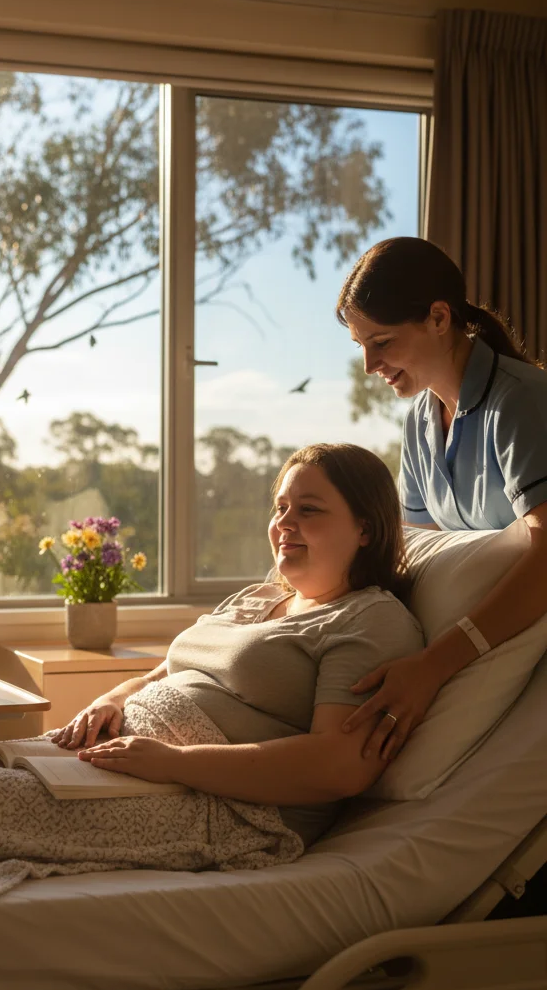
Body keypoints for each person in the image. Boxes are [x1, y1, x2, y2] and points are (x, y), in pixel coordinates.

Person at [55, 443, 424, 847]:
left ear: (365, 529)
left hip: (221, 807)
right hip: (128, 763)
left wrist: (175, 763)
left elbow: (338, 765)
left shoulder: (369, 619)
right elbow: (170, 671)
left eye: (308, 509)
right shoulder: (259, 596)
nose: (285, 522)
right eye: (280, 508)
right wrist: (115, 697)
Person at [337, 237, 547, 763]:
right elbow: (423, 558)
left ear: (437, 317)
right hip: (468, 652)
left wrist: (433, 666)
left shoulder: (520, 401)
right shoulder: (420, 423)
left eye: (380, 341)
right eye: (361, 345)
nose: (369, 364)